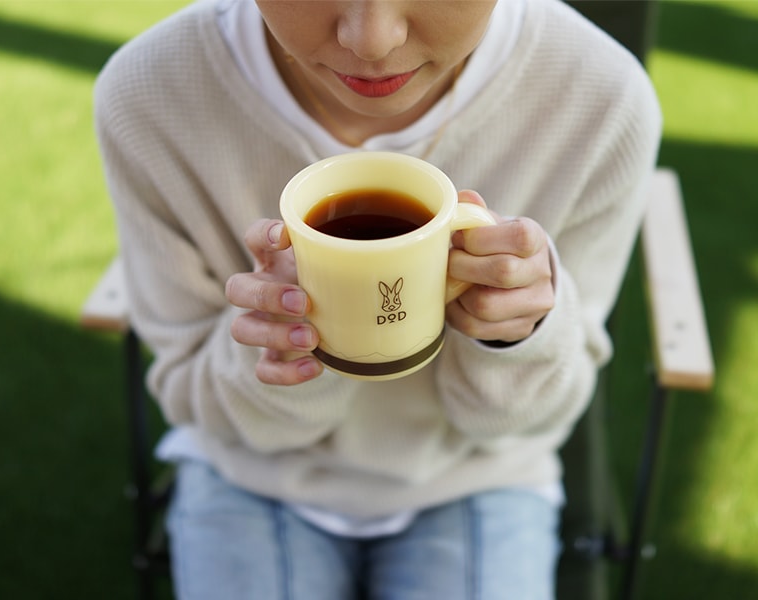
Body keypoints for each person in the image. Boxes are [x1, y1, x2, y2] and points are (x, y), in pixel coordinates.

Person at [94, 0, 661, 598]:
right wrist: (287, 348)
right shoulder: (149, 96)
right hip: (248, 473)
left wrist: (519, 332)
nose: (371, 40)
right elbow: (189, 394)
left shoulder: (600, 98)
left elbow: (531, 420)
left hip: (476, 476)